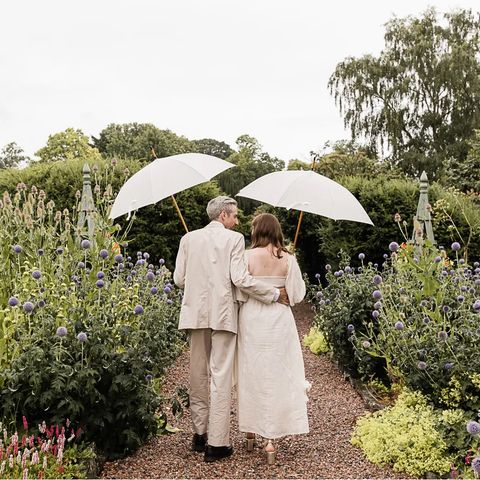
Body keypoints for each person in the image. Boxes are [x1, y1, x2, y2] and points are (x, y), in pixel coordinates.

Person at [173, 196, 289, 463]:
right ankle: (217, 443)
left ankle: (199, 435)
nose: (237, 221)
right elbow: (240, 278)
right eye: (235, 215)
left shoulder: (188, 239)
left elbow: (179, 280)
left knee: (197, 374)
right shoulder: (233, 239)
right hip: (223, 314)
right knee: (220, 375)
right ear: (223, 215)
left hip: (195, 314)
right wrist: (272, 293)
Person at [235, 213, 309, 464]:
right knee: (277, 374)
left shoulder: (246, 256)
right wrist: (282, 289)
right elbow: (297, 295)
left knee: (252, 371)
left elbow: (239, 291)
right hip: (279, 320)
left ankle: (251, 431)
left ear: (258, 231)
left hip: (253, 318)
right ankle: (270, 442)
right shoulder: (288, 259)